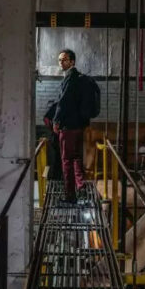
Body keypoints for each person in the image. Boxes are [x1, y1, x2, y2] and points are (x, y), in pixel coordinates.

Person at [45, 49, 90, 203]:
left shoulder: (70, 78)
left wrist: (56, 121)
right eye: (59, 60)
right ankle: (80, 186)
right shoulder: (79, 78)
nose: (61, 63)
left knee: (66, 160)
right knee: (76, 157)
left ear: (72, 62)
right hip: (79, 126)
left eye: (64, 60)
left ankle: (70, 195)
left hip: (69, 127)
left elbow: (64, 102)